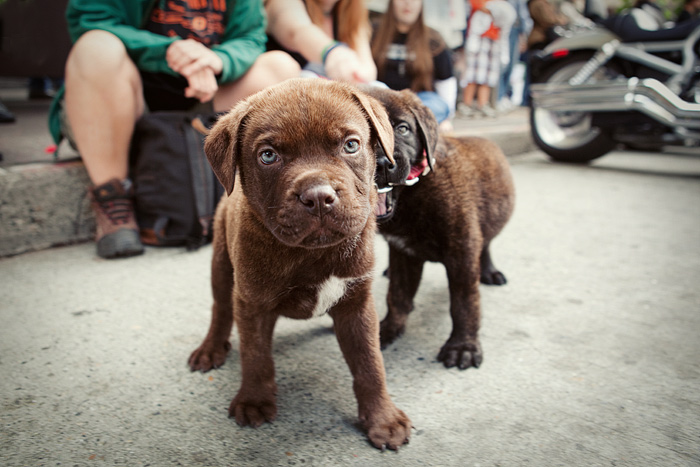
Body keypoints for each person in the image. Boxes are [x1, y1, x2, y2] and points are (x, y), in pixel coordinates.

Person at [48, 0, 300, 260]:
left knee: (280, 68)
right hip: (121, 95)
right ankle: (113, 200)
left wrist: (218, 59)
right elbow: (89, 20)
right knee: (95, 48)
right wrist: (168, 51)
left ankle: (261, 198)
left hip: (203, 92)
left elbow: (250, 37)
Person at [371, 0, 457, 131]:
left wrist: (447, 116)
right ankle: (404, 126)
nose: (407, 3)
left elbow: (445, 81)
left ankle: (399, 124)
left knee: (438, 105)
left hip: (420, 101)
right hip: (383, 100)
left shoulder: (434, 39)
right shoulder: (372, 32)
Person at [265, 0, 377, 83]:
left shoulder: (353, 15)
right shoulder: (282, 4)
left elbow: (368, 68)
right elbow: (298, 31)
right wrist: (334, 53)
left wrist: (359, 75)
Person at [460, 0, 516, 118]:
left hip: (495, 41)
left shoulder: (501, 6)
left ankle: (483, 104)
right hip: (479, 40)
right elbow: (477, 6)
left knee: (488, 77)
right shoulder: (482, 4)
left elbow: (505, 19)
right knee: (472, 75)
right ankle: (466, 104)